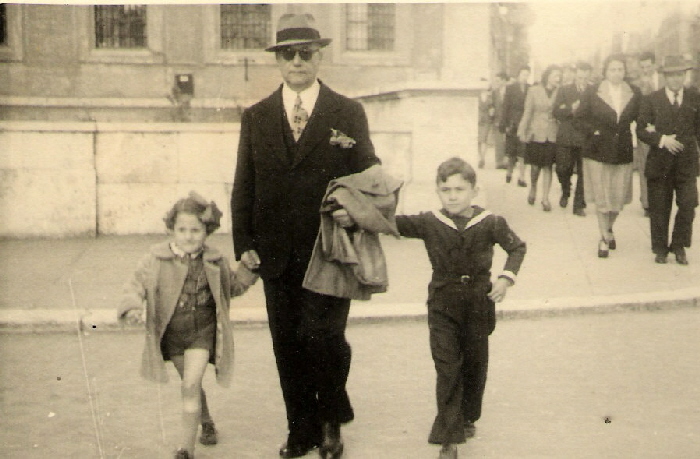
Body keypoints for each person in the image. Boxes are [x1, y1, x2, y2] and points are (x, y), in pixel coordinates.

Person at [230, 13, 380, 459]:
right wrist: (245, 246)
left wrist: (354, 213)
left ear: (319, 57)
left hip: (329, 251)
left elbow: (369, 173)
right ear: (278, 61)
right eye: (289, 54)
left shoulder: (347, 112)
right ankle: (301, 429)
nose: (298, 61)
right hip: (275, 254)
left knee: (325, 337)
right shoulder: (256, 117)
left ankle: (331, 423)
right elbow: (244, 184)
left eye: (306, 53)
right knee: (287, 342)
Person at [387, 157, 526, 459]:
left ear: (474, 191)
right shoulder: (429, 221)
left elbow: (517, 247)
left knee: (475, 366)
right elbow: (390, 223)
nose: (452, 196)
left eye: (459, 189)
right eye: (445, 189)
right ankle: (448, 438)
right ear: (437, 191)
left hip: (478, 304)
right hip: (442, 304)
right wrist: (389, 192)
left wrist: (505, 279)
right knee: (447, 368)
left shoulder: (491, 222)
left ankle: (467, 417)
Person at [118, 192, 258, 459]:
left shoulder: (215, 261)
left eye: (196, 229)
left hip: (202, 333)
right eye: (181, 229)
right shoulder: (155, 259)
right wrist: (132, 306)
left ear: (207, 231)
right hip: (173, 334)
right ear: (171, 229)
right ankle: (205, 420)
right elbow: (135, 284)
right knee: (189, 384)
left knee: (191, 384)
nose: (189, 236)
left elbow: (233, 288)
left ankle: (185, 450)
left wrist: (249, 271)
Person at [575, 54, 642, 258]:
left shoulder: (634, 93)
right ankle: (604, 237)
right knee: (603, 198)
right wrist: (593, 131)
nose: (616, 73)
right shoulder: (593, 92)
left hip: (622, 150)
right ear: (605, 72)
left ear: (625, 72)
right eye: (612, 69)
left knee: (618, 198)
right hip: (597, 150)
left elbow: (642, 118)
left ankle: (609, 228)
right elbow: (578, 119)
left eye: (620, 69)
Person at [636, 56, 700, 265]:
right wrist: (662, 139)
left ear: (685, 75)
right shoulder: (652, 99)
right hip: (660, 163)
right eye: (671, 75)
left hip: (687, 164)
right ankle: (660, 248)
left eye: (680, 75)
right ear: (664, 77)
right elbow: (641, 129)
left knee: (688, 203)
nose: (676, 80)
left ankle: (679, 245)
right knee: (660, 207)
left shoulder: (694, 97)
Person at [518, 65, 562, 211]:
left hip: (552, 133)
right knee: (535, 166)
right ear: (548, 76)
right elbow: (528, 112)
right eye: (556, 75)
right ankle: (533, 188)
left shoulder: (560, 92)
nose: (558, 78)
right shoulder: (534, 90)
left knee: (548, 166)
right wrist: (522, 130)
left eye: (559, 76)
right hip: (536, 133)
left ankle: (545, 198)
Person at [553, 61, 592, 216]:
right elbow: (556, 112)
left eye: (585, 75)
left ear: (589, 75)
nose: (582, 78)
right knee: (562, 168)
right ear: (576, 74)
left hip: (585, 137)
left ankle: (579, 205)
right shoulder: (564, 90)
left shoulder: (593, 91)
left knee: (584, 172)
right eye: (580, 74)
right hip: (567, 136)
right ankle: (565, 189)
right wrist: (571, 109)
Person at [634, 51, 666, 217]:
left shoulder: (663, 80)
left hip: (664, 129)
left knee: (662, 166)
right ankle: (647, 204)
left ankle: (660, 200)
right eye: (642, 67)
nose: (645, 70)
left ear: (654, 65)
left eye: (648, 66)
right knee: (645, 165)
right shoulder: (637, 85)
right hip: (646, 130)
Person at [500, 66, 531, 187]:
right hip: (512, 123)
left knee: (523, 151)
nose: (525, 77)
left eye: (527, 74)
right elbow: (505, 106)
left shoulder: (530, 88)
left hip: (525, 123)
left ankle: (521, 178)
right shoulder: (511, 88)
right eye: (523, 74)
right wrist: (504, 123)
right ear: (519, 75)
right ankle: (509, 172)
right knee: (512, 151)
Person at [492, 72, 510, 169]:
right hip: (498, 119)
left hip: (508, 120)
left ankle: (507, 161)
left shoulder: (510, 91)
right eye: (496, 81)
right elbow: (492, 105)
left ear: (503, 80)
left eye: (498, 81)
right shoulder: (495, 92)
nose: (497, 83)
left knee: (507, 141)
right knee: (498, 141)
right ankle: (499, 162)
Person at [477, 86, 495, 169]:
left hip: (485, 121)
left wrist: (492, 114)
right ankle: (481, 157)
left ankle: (482, 158)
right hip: (480, 120)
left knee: (483, 140)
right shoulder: (478, 96)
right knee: (480, 141)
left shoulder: (489, 97)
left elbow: (492, 110)